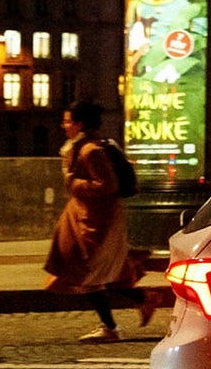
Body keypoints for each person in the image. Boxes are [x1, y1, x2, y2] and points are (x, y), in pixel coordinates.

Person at [44, 101, 151, 343]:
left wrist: (73, 181)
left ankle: (111, 327)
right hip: (85, 217)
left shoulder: (89, 150)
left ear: (79, 124)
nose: (64, 126)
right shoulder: (80, 148)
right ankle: (140, 301)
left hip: (97, 221)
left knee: (89, 274)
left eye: (67, 121)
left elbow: (107, 185)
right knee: (97, 273)